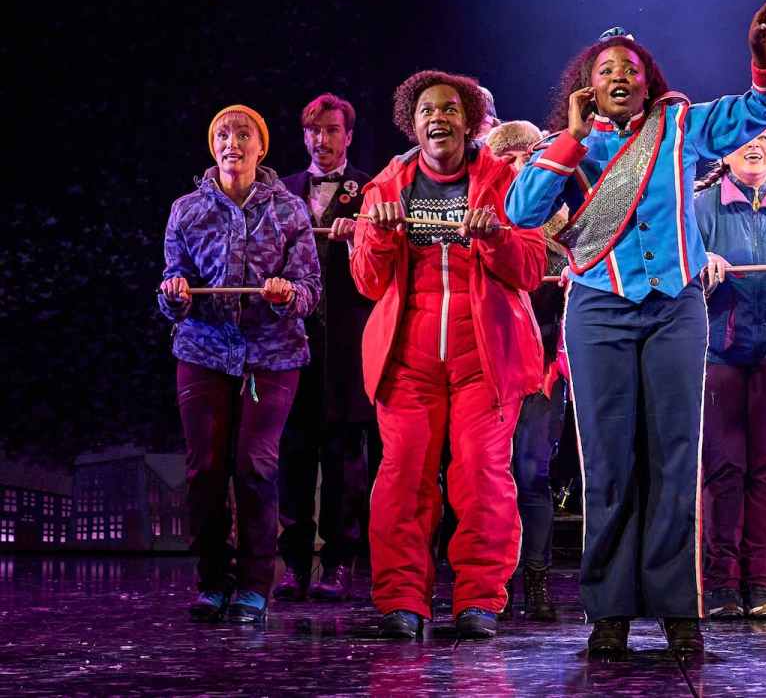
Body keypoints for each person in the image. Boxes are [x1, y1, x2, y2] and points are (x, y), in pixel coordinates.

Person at [505, 0, 766, 656]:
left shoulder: (682, 126)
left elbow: (764, 111)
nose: (619, 76)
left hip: (673, 307)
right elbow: (522, 212)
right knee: (608, 461)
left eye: (630, 67)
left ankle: (676, 608)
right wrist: (572, 137)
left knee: (673, 458)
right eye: (606, 68)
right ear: (588, 82)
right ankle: (609, 610)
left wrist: (764, 55)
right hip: (598, 306)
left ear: (648, 78)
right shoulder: (566, 145)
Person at [351, 71, 545, 640]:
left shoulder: (508, 182)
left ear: (470, 121)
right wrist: (382, 235)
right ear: (412, 124)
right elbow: (366, 280)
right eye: (427, 110)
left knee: (483, 478)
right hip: (407, 360)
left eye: (450, 109)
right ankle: (402, 601)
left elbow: (532, 270)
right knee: (402, 477)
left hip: (484, 359)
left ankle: (479, 600)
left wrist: (495, 237)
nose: (439, 118)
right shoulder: (385, 186)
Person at [158, 104, 321, 626]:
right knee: (205, 469)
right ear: (213, 147)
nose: (233, 142)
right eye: (223, 134)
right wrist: (176, 295)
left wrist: (283, 295)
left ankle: (254, 585)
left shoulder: (289, 209)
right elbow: (171, 288)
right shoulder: (186, 210)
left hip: (270, 356)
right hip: (203, 352)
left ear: (261, 146)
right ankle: (212, 581)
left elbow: (310, 293)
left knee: (255, 464)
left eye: (243, 134)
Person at [275, 93, 376, 602]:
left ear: (349, 135)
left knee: (344, 466)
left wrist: (363, 236)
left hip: (349, 349)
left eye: (333, 130)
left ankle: (338, 565)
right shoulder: (282, 191)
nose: (323, 139)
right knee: (292, 459)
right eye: (314, 130)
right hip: (290, 347)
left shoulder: (372, 191)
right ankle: (293, 566)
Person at [694, 134, 766, 621]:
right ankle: (721, 585)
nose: (753, 146)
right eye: (742, 140)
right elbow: (676, 261)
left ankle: (761, 582)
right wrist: (701, 261)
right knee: (724, 468)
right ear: (725, 152)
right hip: (720, 353)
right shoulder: (701, 206)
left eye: (763, 138)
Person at [486, 119, 569, 623]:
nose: (519, 166)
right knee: (487, 478)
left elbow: (573, 307)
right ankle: (490, 582)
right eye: (509, 158)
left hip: (541, 373)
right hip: (491, 369)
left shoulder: (565, 222)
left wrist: (557, 366)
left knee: (532, 475)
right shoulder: (485, 220)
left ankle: (536, 580)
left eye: (527, 156)